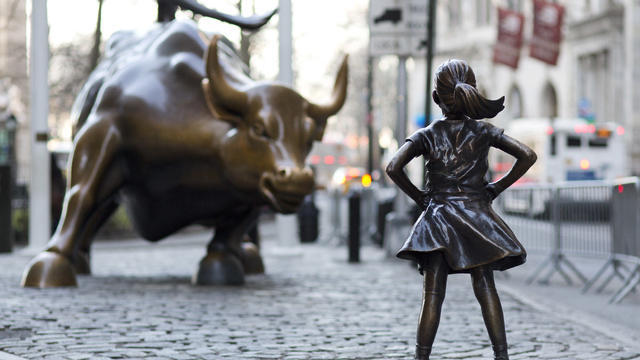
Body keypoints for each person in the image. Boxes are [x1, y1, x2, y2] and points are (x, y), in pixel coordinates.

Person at [386, 59, 537, 360]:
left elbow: (393, 167)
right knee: (486, 287)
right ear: (471, 92)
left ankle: (422, 356)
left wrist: (420, 197)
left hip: (438, 218)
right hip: (476, 217)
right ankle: (501, 355)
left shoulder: (427, 134)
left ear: (435, 98)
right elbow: (528, 155)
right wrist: (494, 188)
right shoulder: (483, 132)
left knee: (432, 295)